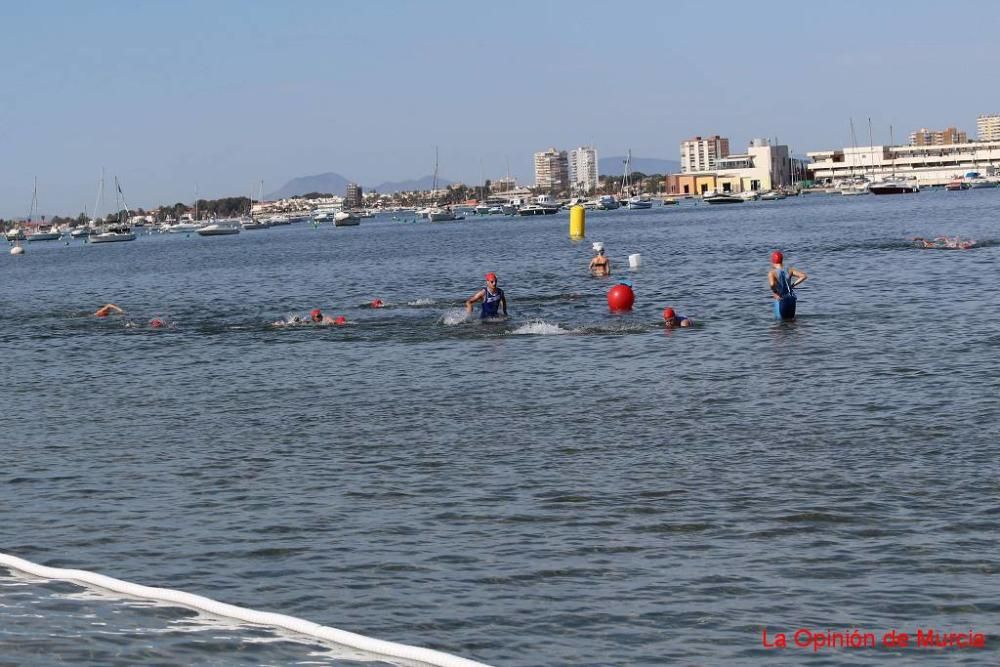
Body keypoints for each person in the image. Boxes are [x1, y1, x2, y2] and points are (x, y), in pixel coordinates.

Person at [767, 250, 807, 320]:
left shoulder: (772, 272)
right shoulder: (789, 270)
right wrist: (792, 285)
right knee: (792, 323)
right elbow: (803, 276)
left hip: (782, 300)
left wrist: (775, 292)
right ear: (782, 260)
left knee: (779, 326)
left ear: (773, 261)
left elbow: (772, 284)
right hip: (792, 299)